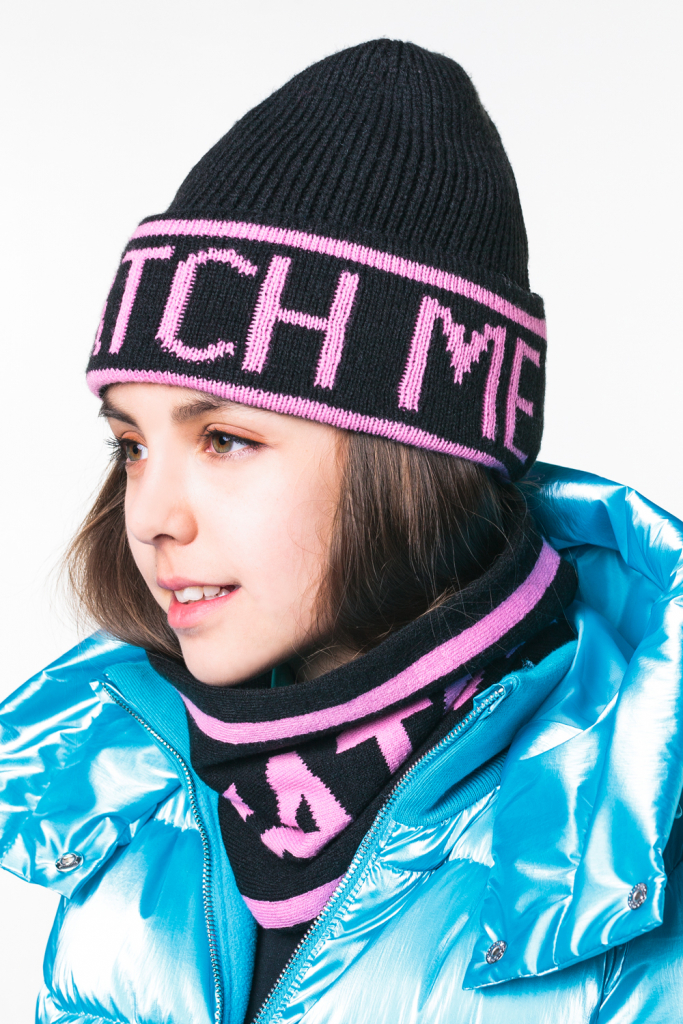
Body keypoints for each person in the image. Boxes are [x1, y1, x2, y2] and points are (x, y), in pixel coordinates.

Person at [1, 38, 682, 1024]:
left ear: (411, 457)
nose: (149, 516)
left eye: (225, 439)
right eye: (132, 445)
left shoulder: (625, 854)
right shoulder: (134, 797)